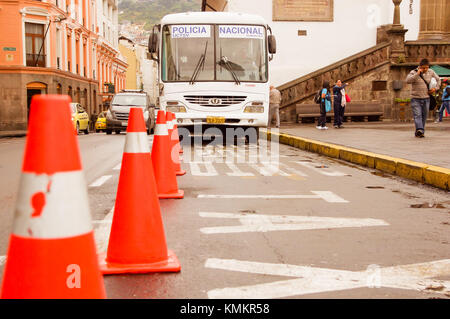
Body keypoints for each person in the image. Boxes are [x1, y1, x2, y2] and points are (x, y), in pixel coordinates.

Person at [405, 58, 440, 138]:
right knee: (417, 115)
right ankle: (420, 129)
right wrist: (417, 74)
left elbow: (438, 80)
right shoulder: (413, 72)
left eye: (427, 67)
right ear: (420, 67)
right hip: (415, 98)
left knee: (424, 115)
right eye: (423, 68)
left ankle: (419, 131)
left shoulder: (431, 72)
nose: (425, 69)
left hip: (426, 98)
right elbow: (407, 80)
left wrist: (435, 89)